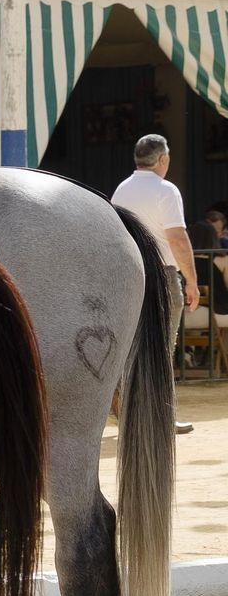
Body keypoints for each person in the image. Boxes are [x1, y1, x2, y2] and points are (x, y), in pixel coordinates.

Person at [111, 133, 196, 434]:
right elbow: (177, 239)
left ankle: (128, 410)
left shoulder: (121, 190)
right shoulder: (166, 190)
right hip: (162, 275)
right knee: (161, 349)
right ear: (162, 159)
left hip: (131, 277)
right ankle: (159, 417)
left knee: (133, 347)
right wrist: (192, 280)